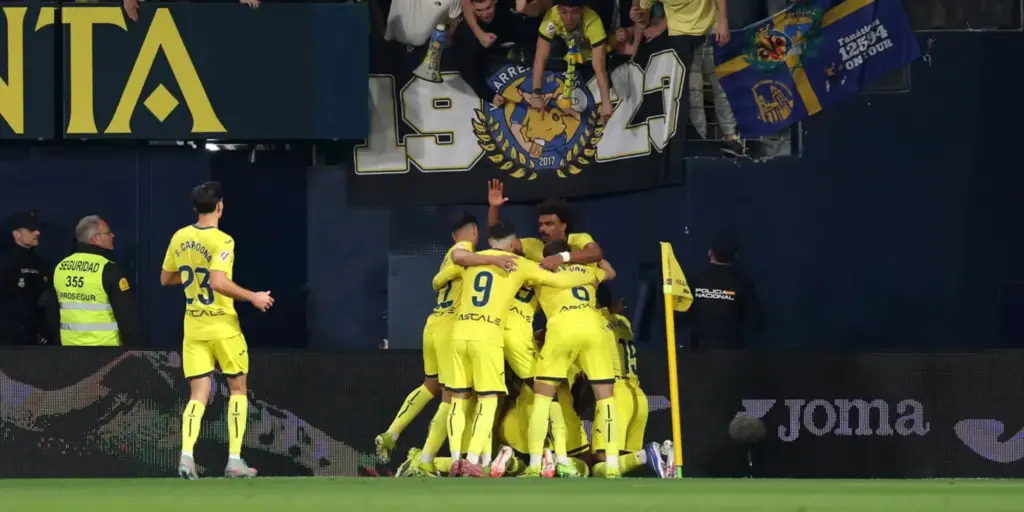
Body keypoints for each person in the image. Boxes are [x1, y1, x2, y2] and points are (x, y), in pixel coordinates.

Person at [431, 221, 597, 478]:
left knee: (459, 398)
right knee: (523, 395)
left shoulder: (470, 259)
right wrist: (595, 274)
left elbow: (439, 278)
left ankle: (456, 459)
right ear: (511, 244)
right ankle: (544, 456)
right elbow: (561, 279)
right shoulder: (522, 265)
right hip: (493, 334)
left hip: (459, 333)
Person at [377, 214, 516, 467]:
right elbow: (458, 262)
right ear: (474, 232)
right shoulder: (464, 250)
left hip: (434, 324)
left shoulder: (451, 255)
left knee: (431, 386)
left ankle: (392, 433)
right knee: (453, 397)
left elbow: (437, 281)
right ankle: (429, 459)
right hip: (452, 327)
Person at [160, 181, 273, 479]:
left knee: (198, 395)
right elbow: (219, 282)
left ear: (195, 207)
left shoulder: (179, 237)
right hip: (222, 325)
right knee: (238, 389)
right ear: (220, 206)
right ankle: (234, 460)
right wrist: (253, 297)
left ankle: (186, 457)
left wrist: (191, 280)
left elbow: (166, 278)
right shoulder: (223, 241)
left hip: (194, 326)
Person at [525, 240, 619, 478]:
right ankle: (613, 465)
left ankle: (535, 464)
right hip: (594, 327)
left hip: (562, 328)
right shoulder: (588, 271)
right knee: (606, 399)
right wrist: (578, 256)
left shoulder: (540, 270)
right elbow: (610, 271)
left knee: (542, 396)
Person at [48, 215, 144, 347]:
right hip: (105, 352)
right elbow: (127, 319)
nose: (113, 236)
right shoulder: (108, 269)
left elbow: (52, 312)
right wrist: (139, 352)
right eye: (108, 233)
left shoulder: (60, 267)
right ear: (95, 238)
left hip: (69, 352)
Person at [528, 0, 613, 123]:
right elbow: (541, 56)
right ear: (558, 10)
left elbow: (599, 67)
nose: (569, 18)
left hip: (589, 60)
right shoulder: (552, 17)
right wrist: (536, 93)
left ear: (582, 10)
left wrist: (606, 102)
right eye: (564, 12)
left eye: (574, 12)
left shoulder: (593, 21)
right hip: (569, 56)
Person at [457, 0, 550, 102]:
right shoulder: (465, 32)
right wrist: (490, 96)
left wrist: (526, 8)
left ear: (494, 2)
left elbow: (539, 10)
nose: (484, 14)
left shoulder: (505, 9)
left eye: (488, 8)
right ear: (473, 8)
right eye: (479, 10)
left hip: (507, 35)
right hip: (484, 59)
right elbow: (466, 68)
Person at [685, 237, 763, 349]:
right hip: (731, 352)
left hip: (698, 352)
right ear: (735, 256)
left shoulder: (694, 281)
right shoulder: (743, 284)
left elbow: (681, 316)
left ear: (710, 253)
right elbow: (755, 322)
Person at [1, 211, 51, 345]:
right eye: (31, 230)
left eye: (38, 229)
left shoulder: (42, 263)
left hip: (37, 338)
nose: (37, 233)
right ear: (16, 234)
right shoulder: (6, 263)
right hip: (9, 341)